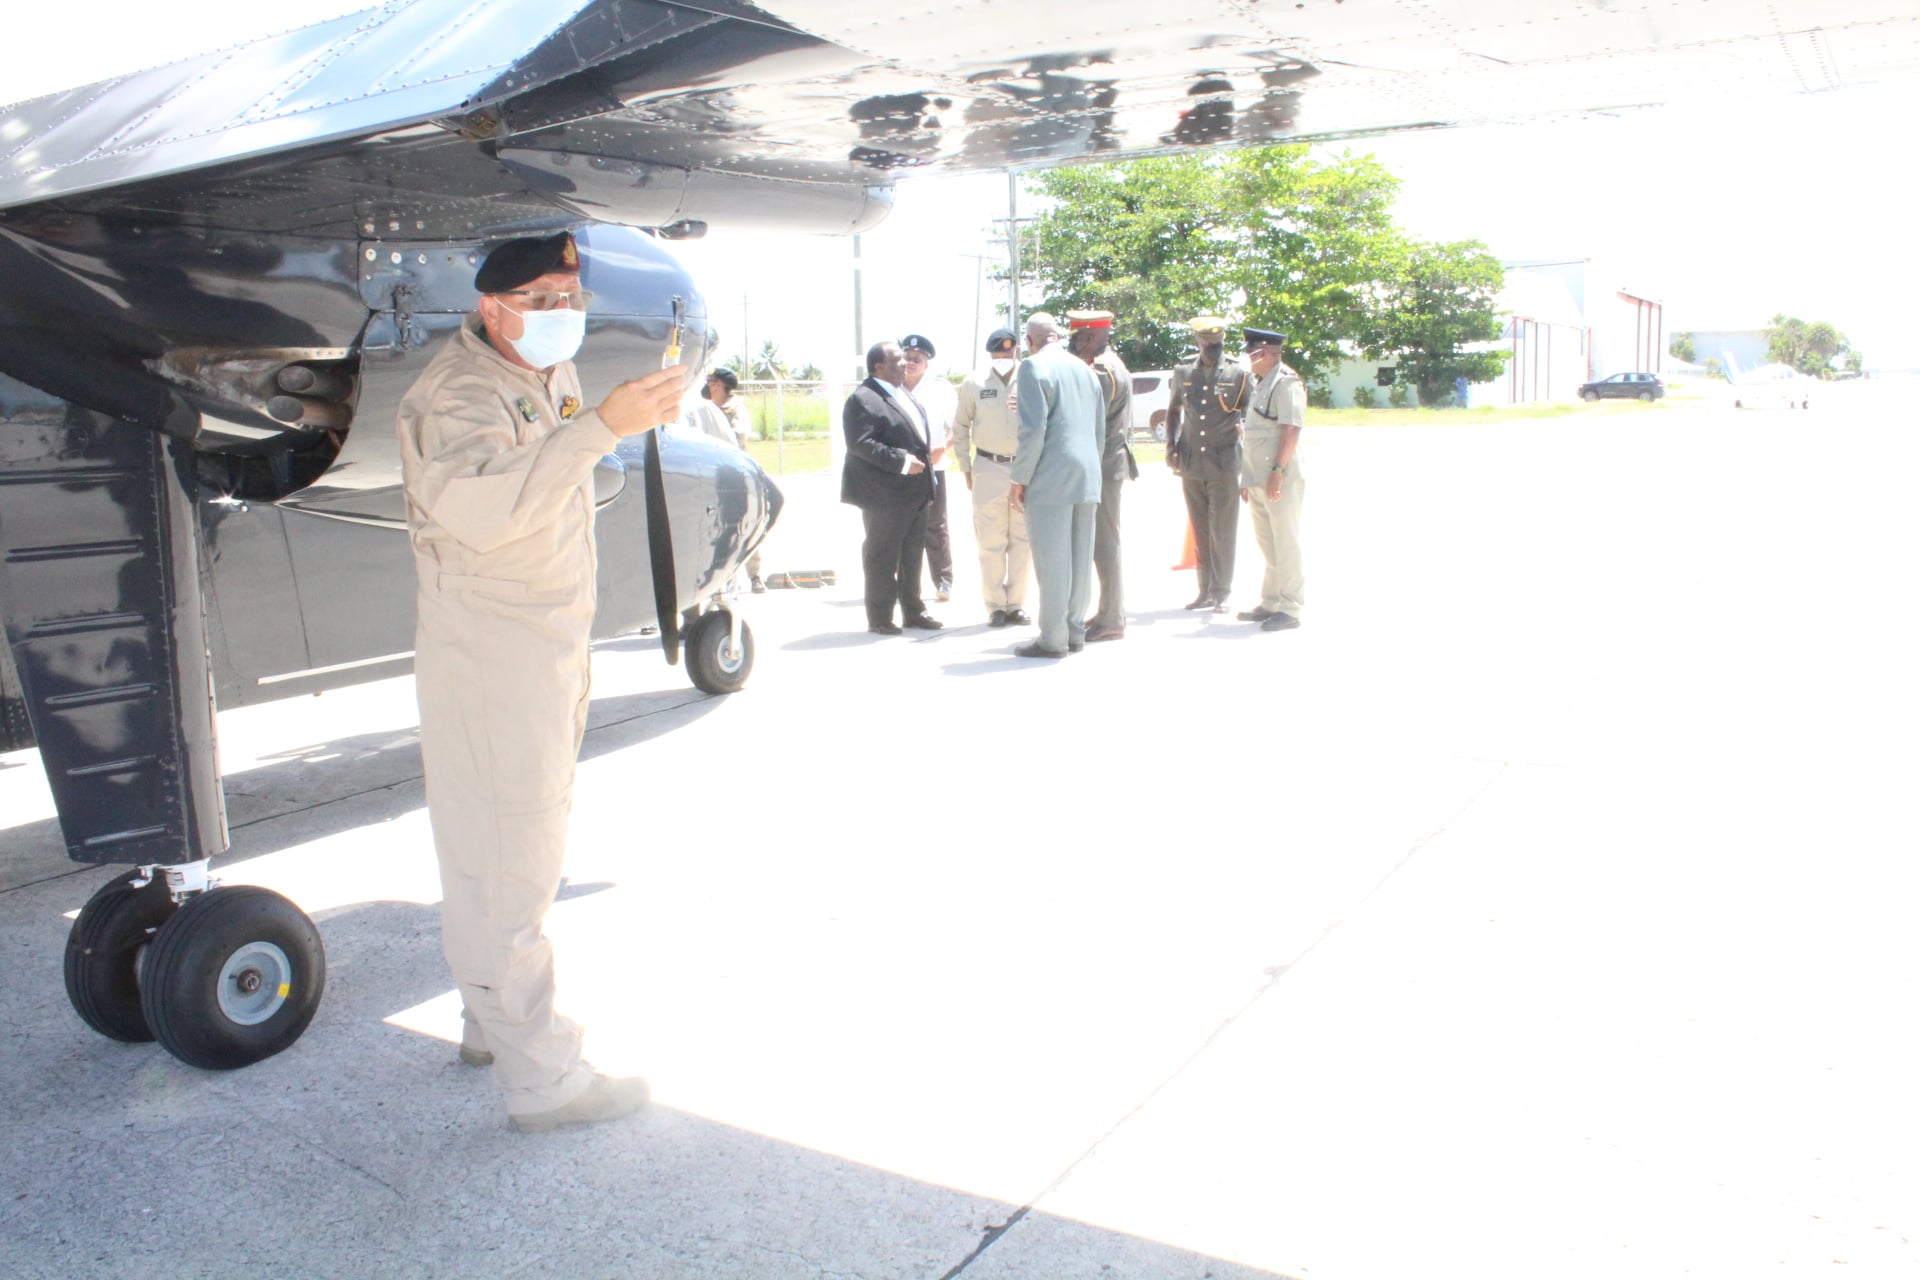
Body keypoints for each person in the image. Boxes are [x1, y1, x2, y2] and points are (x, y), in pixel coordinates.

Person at [396, 230, 684, 1133]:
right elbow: (490, 510)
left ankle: (493, 1021)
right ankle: (545, 1082)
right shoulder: (459, 395)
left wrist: (597, 419)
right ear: (494, 308)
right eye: (545, 298)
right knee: (508, 862)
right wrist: (604, 426)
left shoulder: (533, 372)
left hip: (544, 639)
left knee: (509, 846)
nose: (565, 314)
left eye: (573, 297)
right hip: (494, 653)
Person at [1009, 319, 1104, 658]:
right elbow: (1099, 429)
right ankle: (1074, 631)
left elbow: (1033, 430)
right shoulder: (1086, 370)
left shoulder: (1033, 367)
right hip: (1087, 474)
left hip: (1051, 474)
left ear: (1030, 340)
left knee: (1052, 562)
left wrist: (1019, 478)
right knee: (1079, 559)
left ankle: (1053, 638)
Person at [841, 340, 943, 635]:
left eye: (910, 359)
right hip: (884, 494)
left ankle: (914, 611)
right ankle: (881, 617)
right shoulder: (863, 399)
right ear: (879, 367)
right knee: (882, 556)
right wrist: (902, 461)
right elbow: (860, 444)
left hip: (915, 492)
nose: (906, 363)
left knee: (912, 555)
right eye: (899, 360)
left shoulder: (902, 395)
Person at [1165, 316, 1251, 613]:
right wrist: (1171, 444)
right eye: (1208, 344)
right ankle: (1204, 590)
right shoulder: (1183, 371)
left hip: (1224, 460)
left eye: (1218, 344)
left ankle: (1222, 590)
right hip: (1192, 460)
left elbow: (1249, 414)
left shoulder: (1238, 373)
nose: (1214, 349)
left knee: (1223, 529)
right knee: (1201, 528)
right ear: (1197, 343)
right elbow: (1174, 409)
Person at [952, 328, 1032, 627]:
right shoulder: (974, 382)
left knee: (1022, 540)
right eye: (998, 354)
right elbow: (960, 426)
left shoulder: (1030, 377)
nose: (1003, 358)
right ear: (990, 354)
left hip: (1024, 467)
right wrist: (965, 467)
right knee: (990, 541)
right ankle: (995, 605)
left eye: (1008, 353)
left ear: (1017, 352)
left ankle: (1017, 603)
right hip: (988, 466)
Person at [1066, 310, 1135, 642]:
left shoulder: (1104, 371)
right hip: (1105, 461)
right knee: (1103, 540)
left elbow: (1088, 416)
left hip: (1104, 463)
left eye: (1078, 337)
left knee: (1105, 542)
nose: (1073, 344)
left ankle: (1112, 617)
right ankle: (1109, 610)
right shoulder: (1106, 364)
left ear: (1092, 337)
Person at [1236, 328, 1306, 631]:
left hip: (1279, 476)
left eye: (1250, 353)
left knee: (1285, 542)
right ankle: (1271, 600)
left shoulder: (1287, 382)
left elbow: (1291, 430)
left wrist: (1277, 472)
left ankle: (1290, 607)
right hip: (1257, 476)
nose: (1247, 359)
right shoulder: (1263, 383)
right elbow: (1257, 433)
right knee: (1268, 543)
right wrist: (1247, 477)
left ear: (1263, 352)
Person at [900, 333, 957, 603]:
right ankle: (905, 584)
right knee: (899, 527)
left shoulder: (940, 388)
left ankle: (944, 581)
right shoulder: (892, 386)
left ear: (926, 363)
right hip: (899, 467)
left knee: (935, 526)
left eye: (917, 359)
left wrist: (943, 447)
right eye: (907, 357)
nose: (911, 362)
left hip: (933, 467)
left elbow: (959, 426)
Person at [702, 366, 765, 591]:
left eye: (714, 382)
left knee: (744, 521)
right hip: (711, 471)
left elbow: (740, 433)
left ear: (723, 386)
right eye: (709, 382)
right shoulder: (704, 407)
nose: (710, 386)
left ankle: (755, 575)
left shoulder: (734, 407)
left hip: (734, 471)